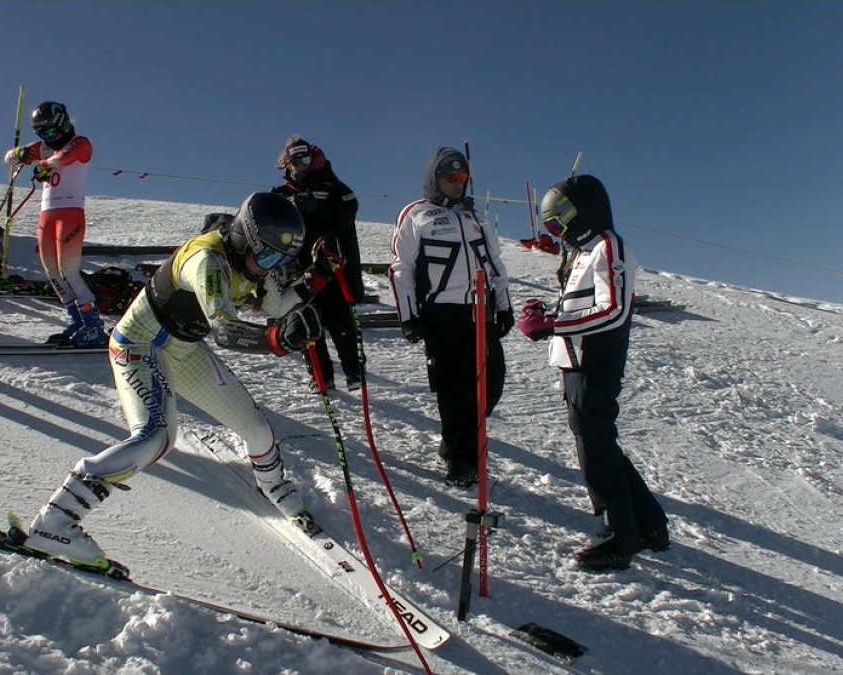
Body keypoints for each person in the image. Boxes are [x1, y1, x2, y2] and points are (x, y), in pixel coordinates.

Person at [11, 192, 326, 577]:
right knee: (156, 437)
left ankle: (273, 486)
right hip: (140, 343)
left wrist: (319, 275)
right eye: (268, 257)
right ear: (246, 237)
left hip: (182, 350)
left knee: (256, 427)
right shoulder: (208, 260)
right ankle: (55, 523)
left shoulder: (251, 264)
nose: (269, 268)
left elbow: (278, 306)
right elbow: (226, 331)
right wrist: (277, 340)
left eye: (280, 260)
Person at [516, 174, 669, 571]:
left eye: (561, 218)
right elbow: (582, 308)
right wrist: (547, 315)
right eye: (552, 221)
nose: (558, 229)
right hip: (576, 361)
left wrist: (552, 326)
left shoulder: (608, 245)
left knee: (595, 448)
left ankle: (621, 535)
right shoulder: (583, 251)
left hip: (596, 361)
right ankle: (650, 524)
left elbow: (613, 310)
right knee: (600, 442)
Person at [389, 147, 514, 487]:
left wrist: (503, 305)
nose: (458, 184)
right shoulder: (417, 215)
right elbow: (402, 269)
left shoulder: (475, 216)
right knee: (453, 389)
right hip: (442, 314)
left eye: (463, 177)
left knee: (492, 382)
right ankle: (461, 459)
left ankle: (457, 438)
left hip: (480, 311)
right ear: (435, 179)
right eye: (450, 177)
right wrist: (408, 316)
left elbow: (495, 265)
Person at [4, 101, 105, 348]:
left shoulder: (80, 143)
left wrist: (43, 164)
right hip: (46, 215)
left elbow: (64, 158)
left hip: (69, 212)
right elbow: (8, 157)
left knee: (68, 270)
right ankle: (77, 319)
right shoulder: (45, 147)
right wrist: (20, 154)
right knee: (51, 272)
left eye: (50, 131)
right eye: (42, 133)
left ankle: (93, 324)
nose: (48, 138)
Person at [272, 136, 364, 391]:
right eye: (295, 159)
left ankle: (353, 371)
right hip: (297, 270)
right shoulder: (282, 194)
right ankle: (320, 375)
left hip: (332, 268)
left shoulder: (330, 187)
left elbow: (349, 206)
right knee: (306, 322)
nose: (301, 164)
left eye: (306, 158)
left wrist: (319, 193)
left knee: (340, 320)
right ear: (287, 163)